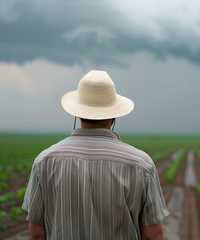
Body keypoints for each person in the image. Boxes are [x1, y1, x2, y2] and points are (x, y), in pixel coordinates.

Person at [22, 70, 169, 240]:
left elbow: (37, 234)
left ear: (77, 113)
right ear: (114, 115)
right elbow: (152, 235)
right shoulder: (141, 165)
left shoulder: (44, 162)